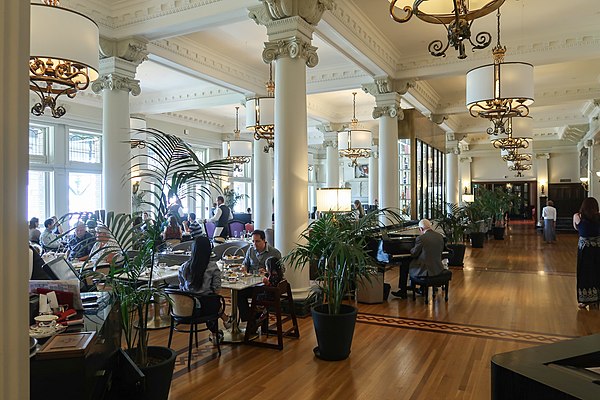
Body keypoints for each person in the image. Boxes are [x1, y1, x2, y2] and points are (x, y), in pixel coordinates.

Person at [178, 236, 232, 330]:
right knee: (213, 300)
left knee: (210, 301)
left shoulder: (184, 267)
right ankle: (221, 326)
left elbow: (182, 286)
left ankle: (223, 323)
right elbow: (216, 290)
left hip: (185, 307)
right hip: (203, 309)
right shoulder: (212, 267)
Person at [392, 219, 449, 299]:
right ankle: (421, 288)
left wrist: (410, 250)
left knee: (404, 265)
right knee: (422, 261)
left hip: (425, 270)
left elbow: (414, 253)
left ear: (421, 229)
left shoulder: (421, 238)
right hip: (437, 268)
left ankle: (403, 291)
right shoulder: (440, 236)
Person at [238, 230, 282, 322]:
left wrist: (267, 271)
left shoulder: (274, 252)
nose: (255, 244)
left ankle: (252, 321)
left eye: (257, 241)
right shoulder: (250, 250)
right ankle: (249, 319)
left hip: (265, 287)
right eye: (253, 241)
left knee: (256, 297)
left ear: (264, 240)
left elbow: (281, 270)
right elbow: (245, 263)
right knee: (239, 293)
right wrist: (244, 269)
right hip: (251, 283)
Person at [572, 197, 600, 308]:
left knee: (585, 274)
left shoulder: (577, 216)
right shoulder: (599, 217)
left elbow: (576, 228)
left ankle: (585, 300)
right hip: (598, 248)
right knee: (597, 272)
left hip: (585, 250)